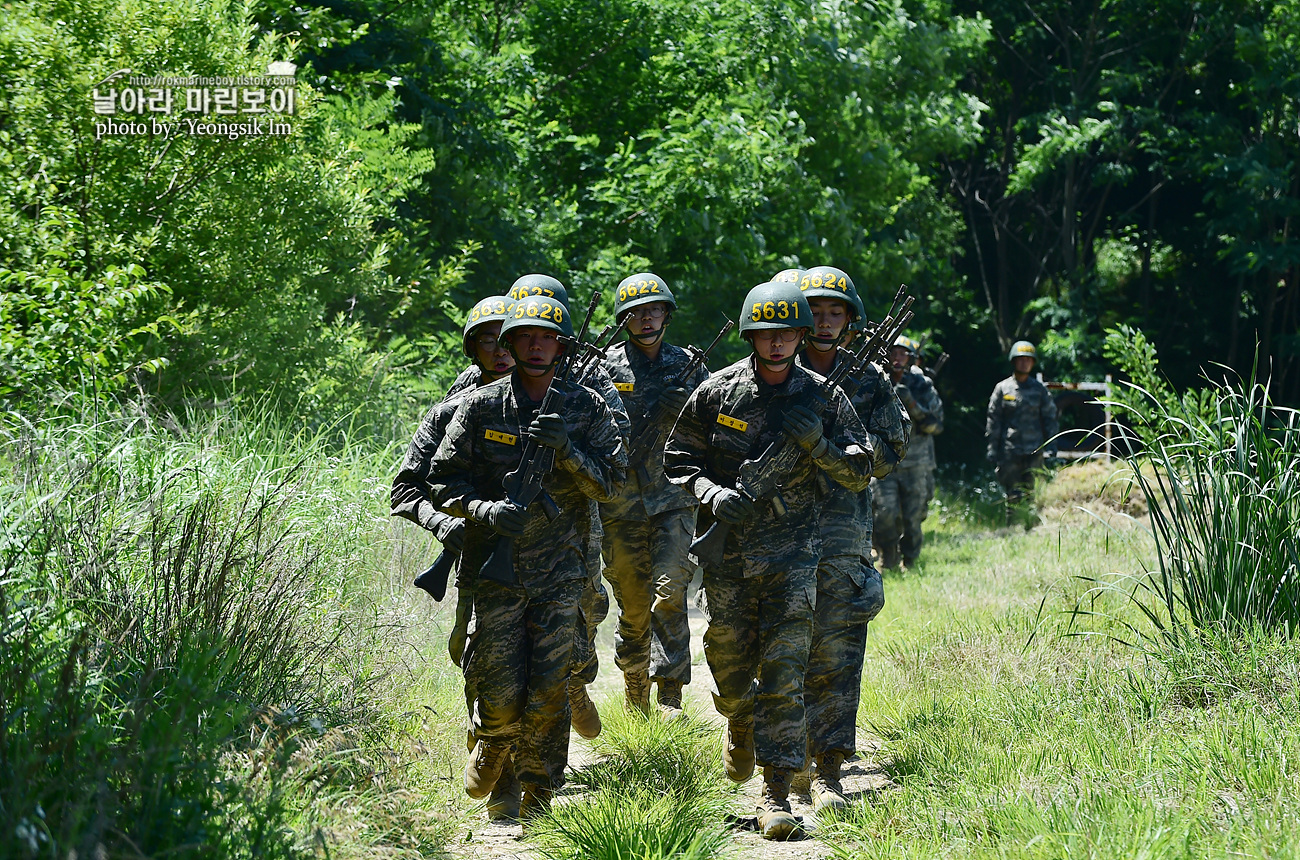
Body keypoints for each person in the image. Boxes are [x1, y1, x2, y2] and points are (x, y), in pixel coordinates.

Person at [665, 280, 873, 840]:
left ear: (801, 336)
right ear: (750, 335)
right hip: (729, 557)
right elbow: (677, 459)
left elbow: (860, 470)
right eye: (765, 333)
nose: (776, 343)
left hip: (795, 558)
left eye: (786, 333)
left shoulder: (825, 396)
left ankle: (775, 792)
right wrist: (711, 494)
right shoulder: (718, 392)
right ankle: (738, 720)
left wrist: (819, 447)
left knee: (784, 673)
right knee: (731, 671)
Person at [428, 294, 627, 819]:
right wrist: (486, 510)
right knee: (497, 684)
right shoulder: (479, 406)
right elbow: (442, 481)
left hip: (562, 572)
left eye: (547, 337)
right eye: (526, 337)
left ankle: (539, 791)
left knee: (549, 687)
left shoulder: (586, 407)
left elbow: (612, 484)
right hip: (496, 570)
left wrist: (568, 451)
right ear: (510, 343)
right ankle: (492, 739)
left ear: (561, 346)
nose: (537, 346)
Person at [390, 294, 523, 817]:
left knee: (564, 657)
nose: (500, 350)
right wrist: (447, 524)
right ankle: (501, 759)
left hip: (554, 552)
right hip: (480, 555)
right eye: (487, 340)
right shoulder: (454, 407)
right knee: (481, 657)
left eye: (505, 337)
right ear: (474, 348)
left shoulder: (562, 395)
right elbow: (405, 488)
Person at [793, 265, 908, 815]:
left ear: (851, 319)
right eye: (814, 309)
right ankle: (780, 759)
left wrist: (847, 455)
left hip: (842, 530)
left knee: (838, 647)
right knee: (779, 648)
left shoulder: (867, 380)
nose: (824, 320)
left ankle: (830, 765)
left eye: (835, 311)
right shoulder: (773, 367)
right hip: (776, 530)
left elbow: (891, 448)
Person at [599, 272, 709, 716]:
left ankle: (670, 689)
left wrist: (682, 404)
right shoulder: (603, 367)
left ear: (666, 314)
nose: (646, 319)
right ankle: (633, 685)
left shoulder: (689, 366)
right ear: (624, 319)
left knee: (670, 592)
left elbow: (711, 428)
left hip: (673, 500)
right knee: (633, 601)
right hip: (620, 504)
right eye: (637, 312)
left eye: (654, 310)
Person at [872, 334, 943, 569]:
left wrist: (911, 403)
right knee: (884, 513)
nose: (897, 357)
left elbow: (935, 425)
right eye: (893, 352)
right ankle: (887, 553)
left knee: (913, 517)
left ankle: (910, 559)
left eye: (903, 353)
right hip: (884, 462)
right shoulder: (875, 380)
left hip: (915, 462)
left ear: (911, 358)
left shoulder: (922, 385)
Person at [985, 340, 1058, 519]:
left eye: (1028, 360)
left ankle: (1032, 527)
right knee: (1012, 493)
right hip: (1010, 450)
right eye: (1021, 359)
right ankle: (1012, 527)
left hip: (1035, 450)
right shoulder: (1002, 388)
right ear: (1013, 361)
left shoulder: (1040, 390)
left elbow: (1050, 418)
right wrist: (992, 448)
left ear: (1033, 363)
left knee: (1033, 492)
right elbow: (994, 420)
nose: (1024, 363)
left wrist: (1052, 445)